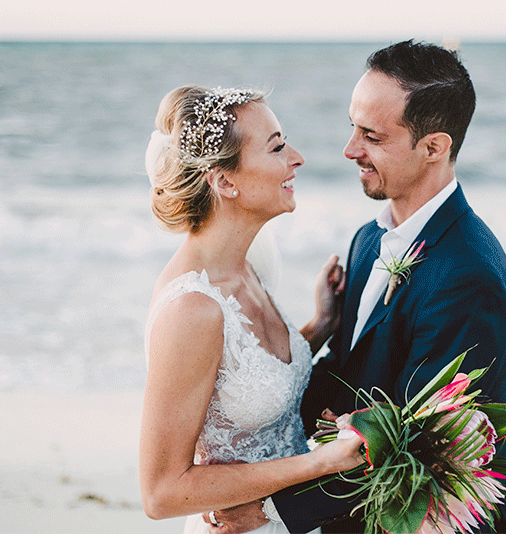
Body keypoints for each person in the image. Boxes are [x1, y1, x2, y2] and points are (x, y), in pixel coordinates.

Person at [212, 40, 506, 533]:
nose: (350, 150)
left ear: (434, 147)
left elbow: (422, 449)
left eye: (373, 136)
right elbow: (347, 374)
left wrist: (270, 508)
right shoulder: (369, 239)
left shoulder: (470, 281)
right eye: (352, 127)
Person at [139, 85, 364, 534]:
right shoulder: (192, 309)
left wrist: (319, 327)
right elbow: (161, 492)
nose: (296, 158)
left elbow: (243, 375)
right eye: (277, 147)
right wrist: (317, 464)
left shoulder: (247, 264)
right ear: (225, 182)